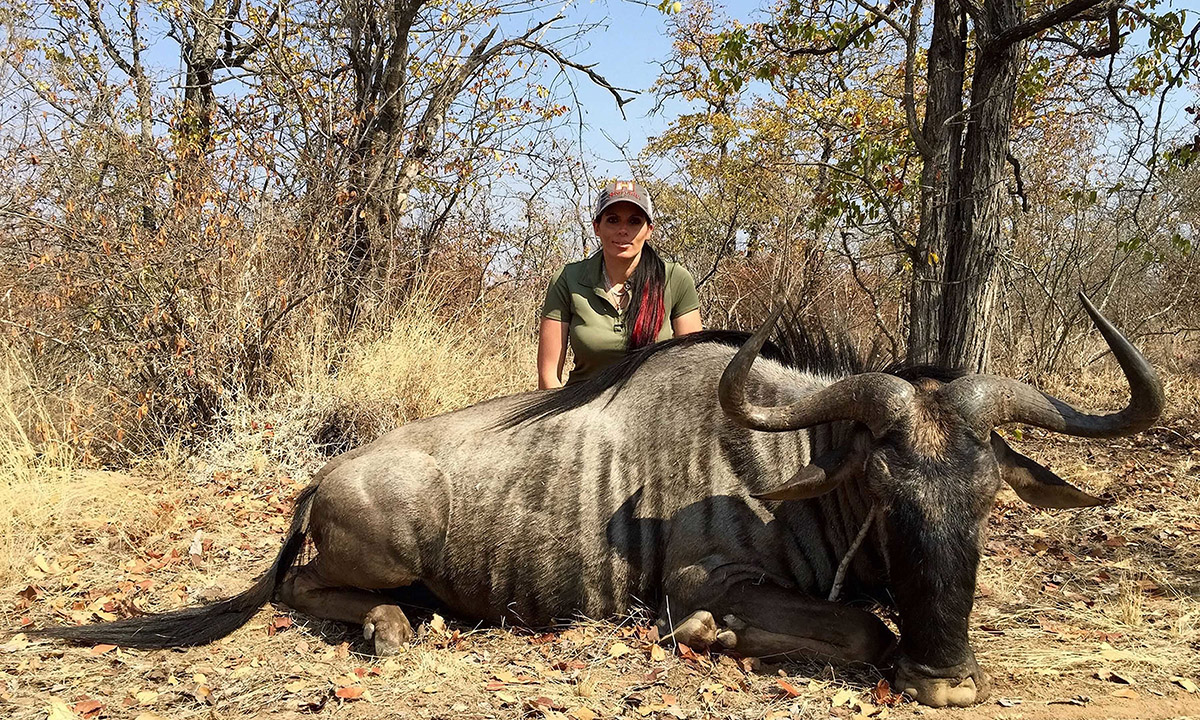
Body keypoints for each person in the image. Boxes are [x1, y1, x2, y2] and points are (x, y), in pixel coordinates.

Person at [538, 180, 702, 389]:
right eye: (613, 220)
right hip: (580, 412)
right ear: (597, 227)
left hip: (655, 412)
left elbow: (692, 370)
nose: (623, 230)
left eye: (634, 221)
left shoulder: (674, 279)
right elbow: (548, 377)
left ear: (649, 230)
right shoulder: (568, 279)